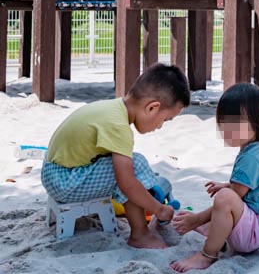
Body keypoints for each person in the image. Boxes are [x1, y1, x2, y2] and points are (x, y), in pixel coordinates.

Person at [41, 63, 190, 249]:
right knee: (133, 167)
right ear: (152, 108)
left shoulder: (112, 109)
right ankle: (140, 234)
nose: (160, 126)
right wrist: (158, 209)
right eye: (165, 120)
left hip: (56, 173)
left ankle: (142, 220)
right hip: (64, 182)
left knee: (129, 165)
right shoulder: (118, 126)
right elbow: (126, 182)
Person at [171, 83, 259, 272]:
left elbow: (234, 196)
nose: (226, 130)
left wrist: (197, 219)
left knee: (224, 198)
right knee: (227, 194)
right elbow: (254, 184)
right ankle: (215, 229)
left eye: (235, 124)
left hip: (257, 231)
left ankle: (207, 254)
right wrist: (228, 185)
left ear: (257, 122)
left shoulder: (251, 157)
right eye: (223, 122)